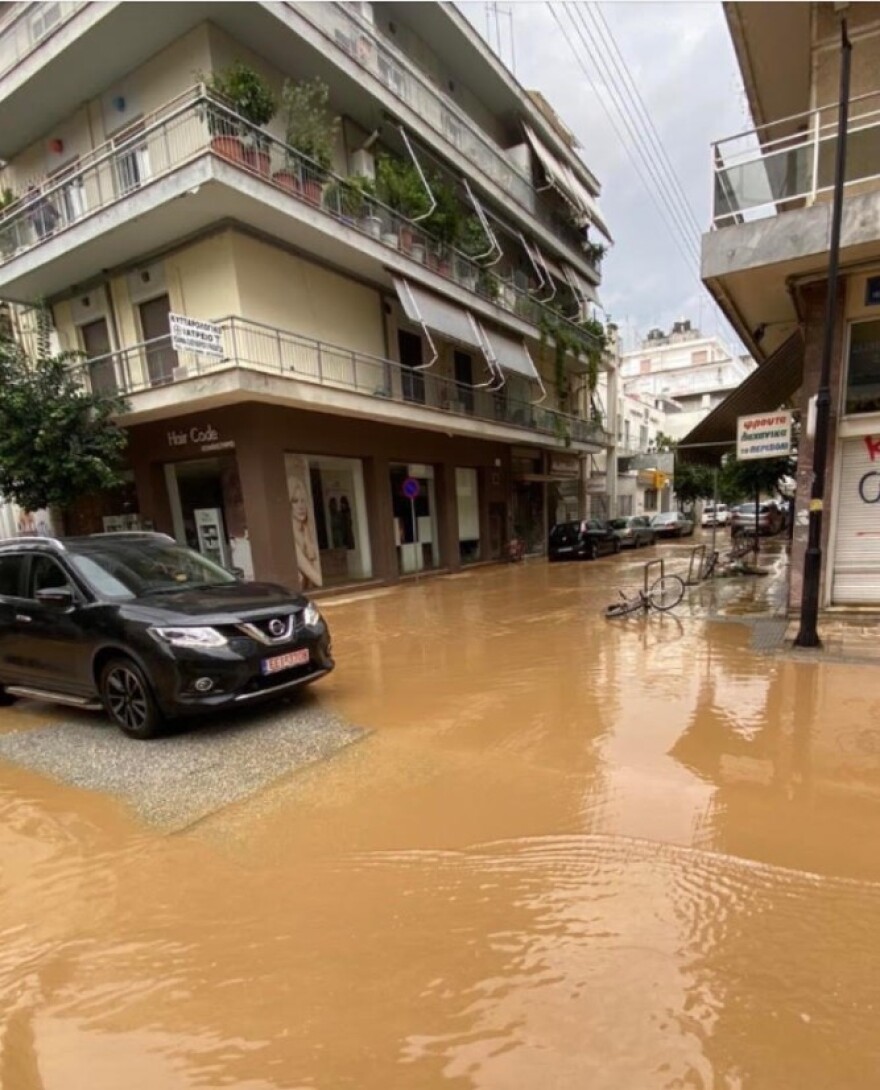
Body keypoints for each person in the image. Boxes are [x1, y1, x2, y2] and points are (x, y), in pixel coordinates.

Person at [289, 475, 322, 589]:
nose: (301, 506)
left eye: (303, 500)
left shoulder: (306, 532)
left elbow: (317, 568)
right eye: (295, 501)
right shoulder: (289, 537)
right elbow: (316, 578)